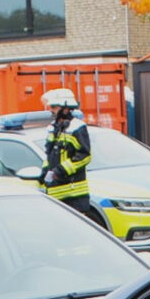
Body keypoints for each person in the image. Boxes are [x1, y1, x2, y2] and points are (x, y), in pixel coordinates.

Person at [39, 88, 97, 227]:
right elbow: (50, 155)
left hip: (74, 194)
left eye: (54, 107)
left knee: (76, 234)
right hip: (55, 193)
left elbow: (84, 156)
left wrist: (60, 171)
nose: (51, 110)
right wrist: (44, 174)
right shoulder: (53, 128)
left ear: (65, 109)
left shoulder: (77, 127)